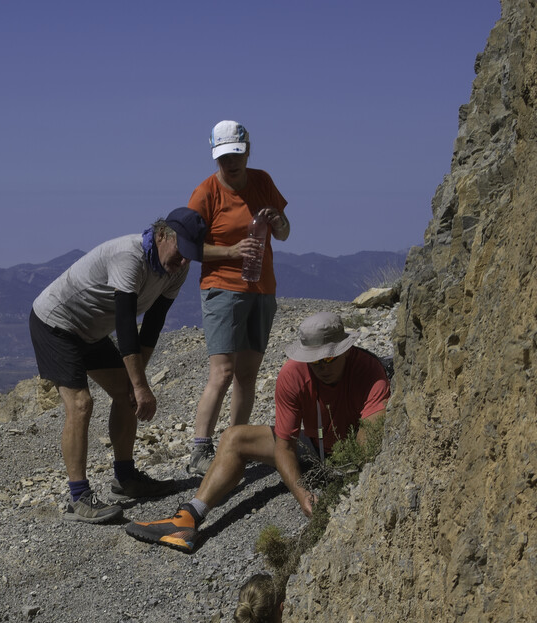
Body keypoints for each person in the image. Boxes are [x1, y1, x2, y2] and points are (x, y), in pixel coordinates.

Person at [125, 310, 391, 552]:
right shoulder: (292, 374)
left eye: (329, 358)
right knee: (234, 438)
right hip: (313, 445)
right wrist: (302, 494)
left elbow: (370, 435)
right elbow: (284, 445)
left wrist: (350, 483)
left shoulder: (369, 370)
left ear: (345, 349)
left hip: (350, 454)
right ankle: (188, 518)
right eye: (314, 361)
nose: (322, 367)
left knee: (362, 442)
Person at [29, 210, 206, 523]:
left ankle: (125, 481)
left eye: (190, 258)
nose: (182, 263)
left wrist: (136, 385)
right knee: (81, 404)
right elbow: (126, 325)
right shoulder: (129, 255)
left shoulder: (177, 269)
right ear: (163, 235)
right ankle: (78, 498)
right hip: (55, 322)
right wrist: (140, 385)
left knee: (126, 394)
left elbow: (152, 326)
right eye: (180, 254)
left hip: (91, 330)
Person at [186, 120, 290, 473]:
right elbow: (189, 246)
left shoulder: (262, 181)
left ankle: (234, 445)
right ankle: (200, 450)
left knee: (248, 373)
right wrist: (231, 252)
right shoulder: (205, 193)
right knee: (223, 371)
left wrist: (278, 222)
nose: (230, 162)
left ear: (247, 150)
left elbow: (286, 233)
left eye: (235, 154)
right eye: (223, 157)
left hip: (262, 287)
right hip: (222, 288)